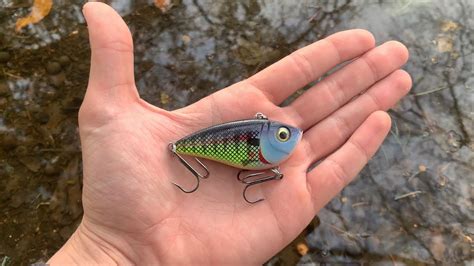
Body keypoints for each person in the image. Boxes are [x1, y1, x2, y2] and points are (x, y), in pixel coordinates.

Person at [48, 2, 411, 265]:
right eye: (283, 136)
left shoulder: (261, 148)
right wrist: (110, 248)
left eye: (284, 136)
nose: (291, 137)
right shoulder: (243, 147)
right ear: (268, 137)